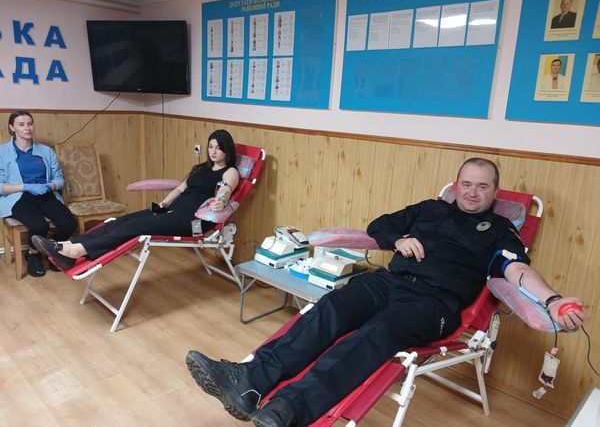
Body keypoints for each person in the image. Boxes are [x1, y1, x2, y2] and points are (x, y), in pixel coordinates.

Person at [185, 158, 586, 427]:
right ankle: (248, 381)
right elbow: (381, 224)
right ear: (456, 185)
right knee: (334, 305)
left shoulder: (500, 231)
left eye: (482, 186)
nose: (472, 192)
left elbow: (517, 270)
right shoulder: (430, 209)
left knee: (377, 333)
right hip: (390, 282)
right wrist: (399, 239)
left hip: (434, 304)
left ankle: (290, 409)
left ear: (495, 191)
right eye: (466, 184)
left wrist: (552, 301)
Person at [32, 130, 239, 269]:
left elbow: (226, 189)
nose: (213, 151)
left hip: (194, 222)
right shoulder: (200, 168)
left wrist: (220, 201)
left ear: (227, 150)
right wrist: (165, 203)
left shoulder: (230, 171)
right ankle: (68, 245)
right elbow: (179, 188)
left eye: (218, 148)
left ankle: (77, 251)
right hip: (172, 211)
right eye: (210, 146)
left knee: (138, 226)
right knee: (123, 220)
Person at [0, 111, 76, 277]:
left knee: (69, 223)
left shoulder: (46, 151)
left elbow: (59, 179)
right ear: (12, 128)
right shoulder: (2, 152)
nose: (27, 128)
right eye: (21, 124)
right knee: (39, 226)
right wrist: (25, 186)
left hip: (45, 194)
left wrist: (50, 185)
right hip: (19, 197)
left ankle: (53, 252)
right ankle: (33, 254)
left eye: (30, 124)